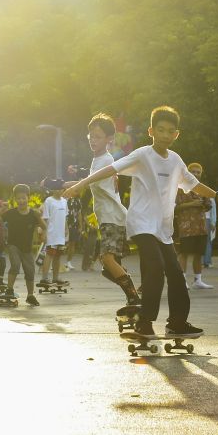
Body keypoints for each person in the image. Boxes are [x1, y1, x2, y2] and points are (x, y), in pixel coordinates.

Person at [64, 105, 218, 337]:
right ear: (151, 131)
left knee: (176, 274)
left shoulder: (176, 160)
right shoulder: (142, 155)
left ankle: (177, 323)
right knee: (154, 268)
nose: (165, 135)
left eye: (170, 131)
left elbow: (193, 184)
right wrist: (79, 184)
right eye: (161, 130)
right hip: (141, 224)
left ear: (176, 134)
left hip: (163, 229)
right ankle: (144, 323)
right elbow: (110, 169)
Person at [75, 113, 139, 306]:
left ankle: (134, 297)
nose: (93, 140)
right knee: (108, 268)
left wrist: (74, 186)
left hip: (113, 217)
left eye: (98, 136)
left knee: (107, 259)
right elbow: (89, 181)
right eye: (91, 136)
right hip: (108, 218)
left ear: (109, 139)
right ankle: (135, 294)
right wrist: (61, 184)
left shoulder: (105, 160)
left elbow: (88, 182)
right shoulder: (98, 160)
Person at [0, 183, 45, 305]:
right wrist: (2, 209)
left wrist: (40, 220)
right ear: (15, 199)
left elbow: (44, 226)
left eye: (23, 197)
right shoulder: (11, 213)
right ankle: (9, 289)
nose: (21, 200)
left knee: (30, 270)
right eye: (18, 198)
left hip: (27, 248)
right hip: (13, 245)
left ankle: (30, 295)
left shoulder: (33, 214)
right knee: (15, 265)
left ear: (28, 198)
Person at [175, 161, 213, 288]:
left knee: (199, 254)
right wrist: (192, 204)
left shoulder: (202, 188)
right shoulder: (180, 187)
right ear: (187, 173)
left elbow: (208, 205)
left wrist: (206, 203)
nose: (196, 174)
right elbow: (175, 207)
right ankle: (182, 280)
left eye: (198, 172)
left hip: (200, 226)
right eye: (193, 171)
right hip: (186, 227)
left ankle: (198, 281)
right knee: (184, 253)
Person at [39, 182, 68, 287]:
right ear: (53, 190)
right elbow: (45, 218)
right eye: (57, 189)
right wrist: (44, 233)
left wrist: (66, 229)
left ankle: (56, 277)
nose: (59, 191)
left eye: (61, 189)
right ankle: (44, 278)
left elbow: (65, 216)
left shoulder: (65, 201)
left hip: (61, 234)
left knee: (58, 256)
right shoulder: (49, 201)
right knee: (49, 255)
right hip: (51, 233)